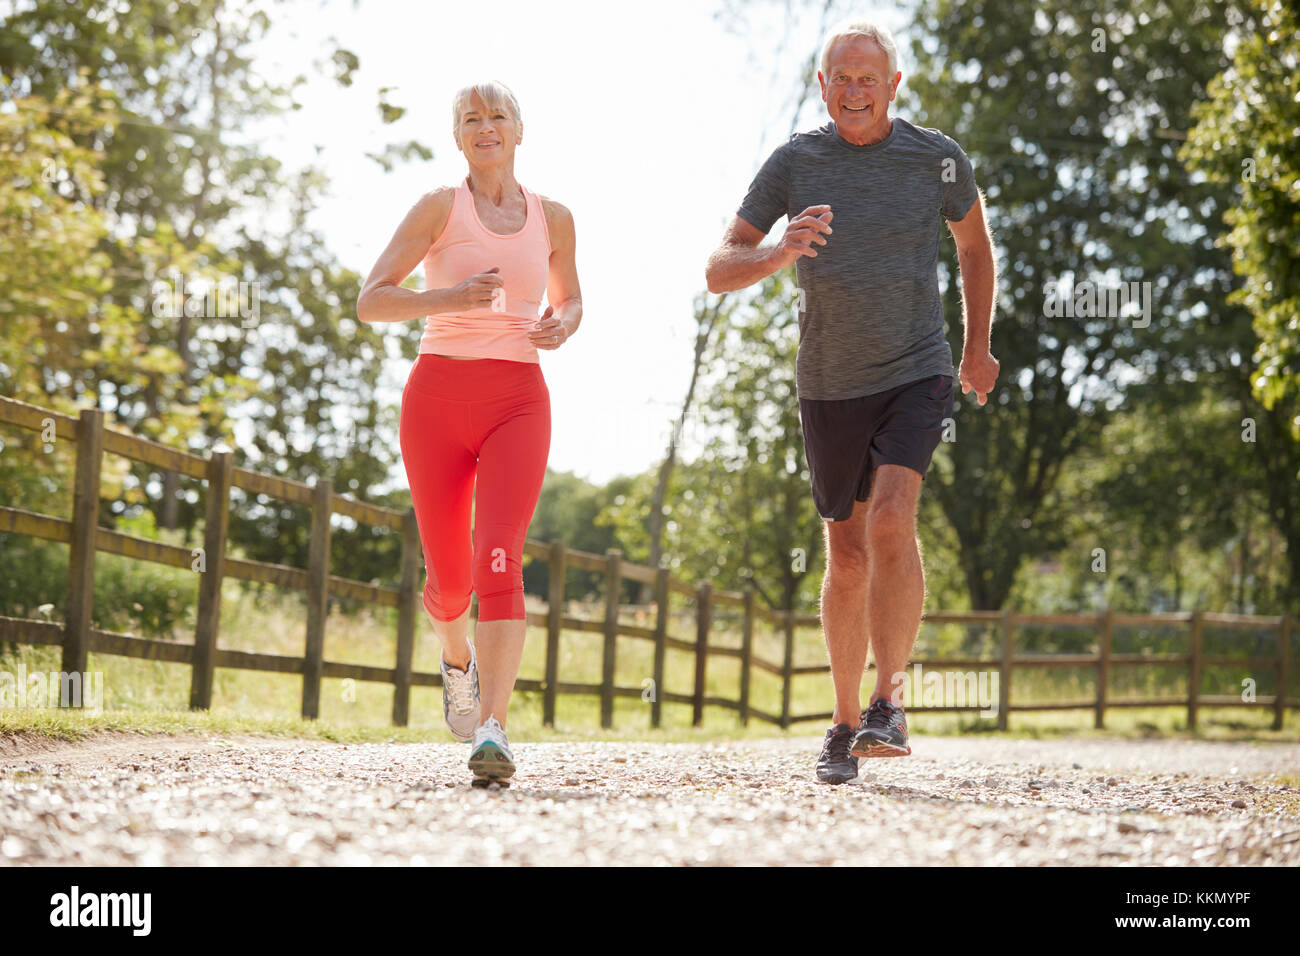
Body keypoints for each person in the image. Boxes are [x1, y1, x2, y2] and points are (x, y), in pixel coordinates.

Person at [705, 20, 999, 784]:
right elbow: (718, 266)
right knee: (847, 549)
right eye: (842, 76)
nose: (855, 90)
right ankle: (841, 725)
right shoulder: (795, 163)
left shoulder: (936, 159)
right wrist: (775, 252)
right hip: (830, 380)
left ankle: (887, 705)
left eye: (870, 77)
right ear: (823, 85)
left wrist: (975, 346)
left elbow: (973, 246)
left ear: (894, 86)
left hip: (918, 369)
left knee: (894, 518)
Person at [357, 80, 582, 786]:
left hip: (518, 398)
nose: (485, 127)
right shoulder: (437, 207)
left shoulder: (555, 217)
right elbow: (371, 301)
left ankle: (493, 727)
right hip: (437, 400)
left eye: (498, 116)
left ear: (521, 129)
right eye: (470, 119)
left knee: (500, 561)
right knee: (451, 583)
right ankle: (456, 659)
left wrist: (562, 325)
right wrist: (446, 299)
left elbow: (570, 298)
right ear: (457, 137)